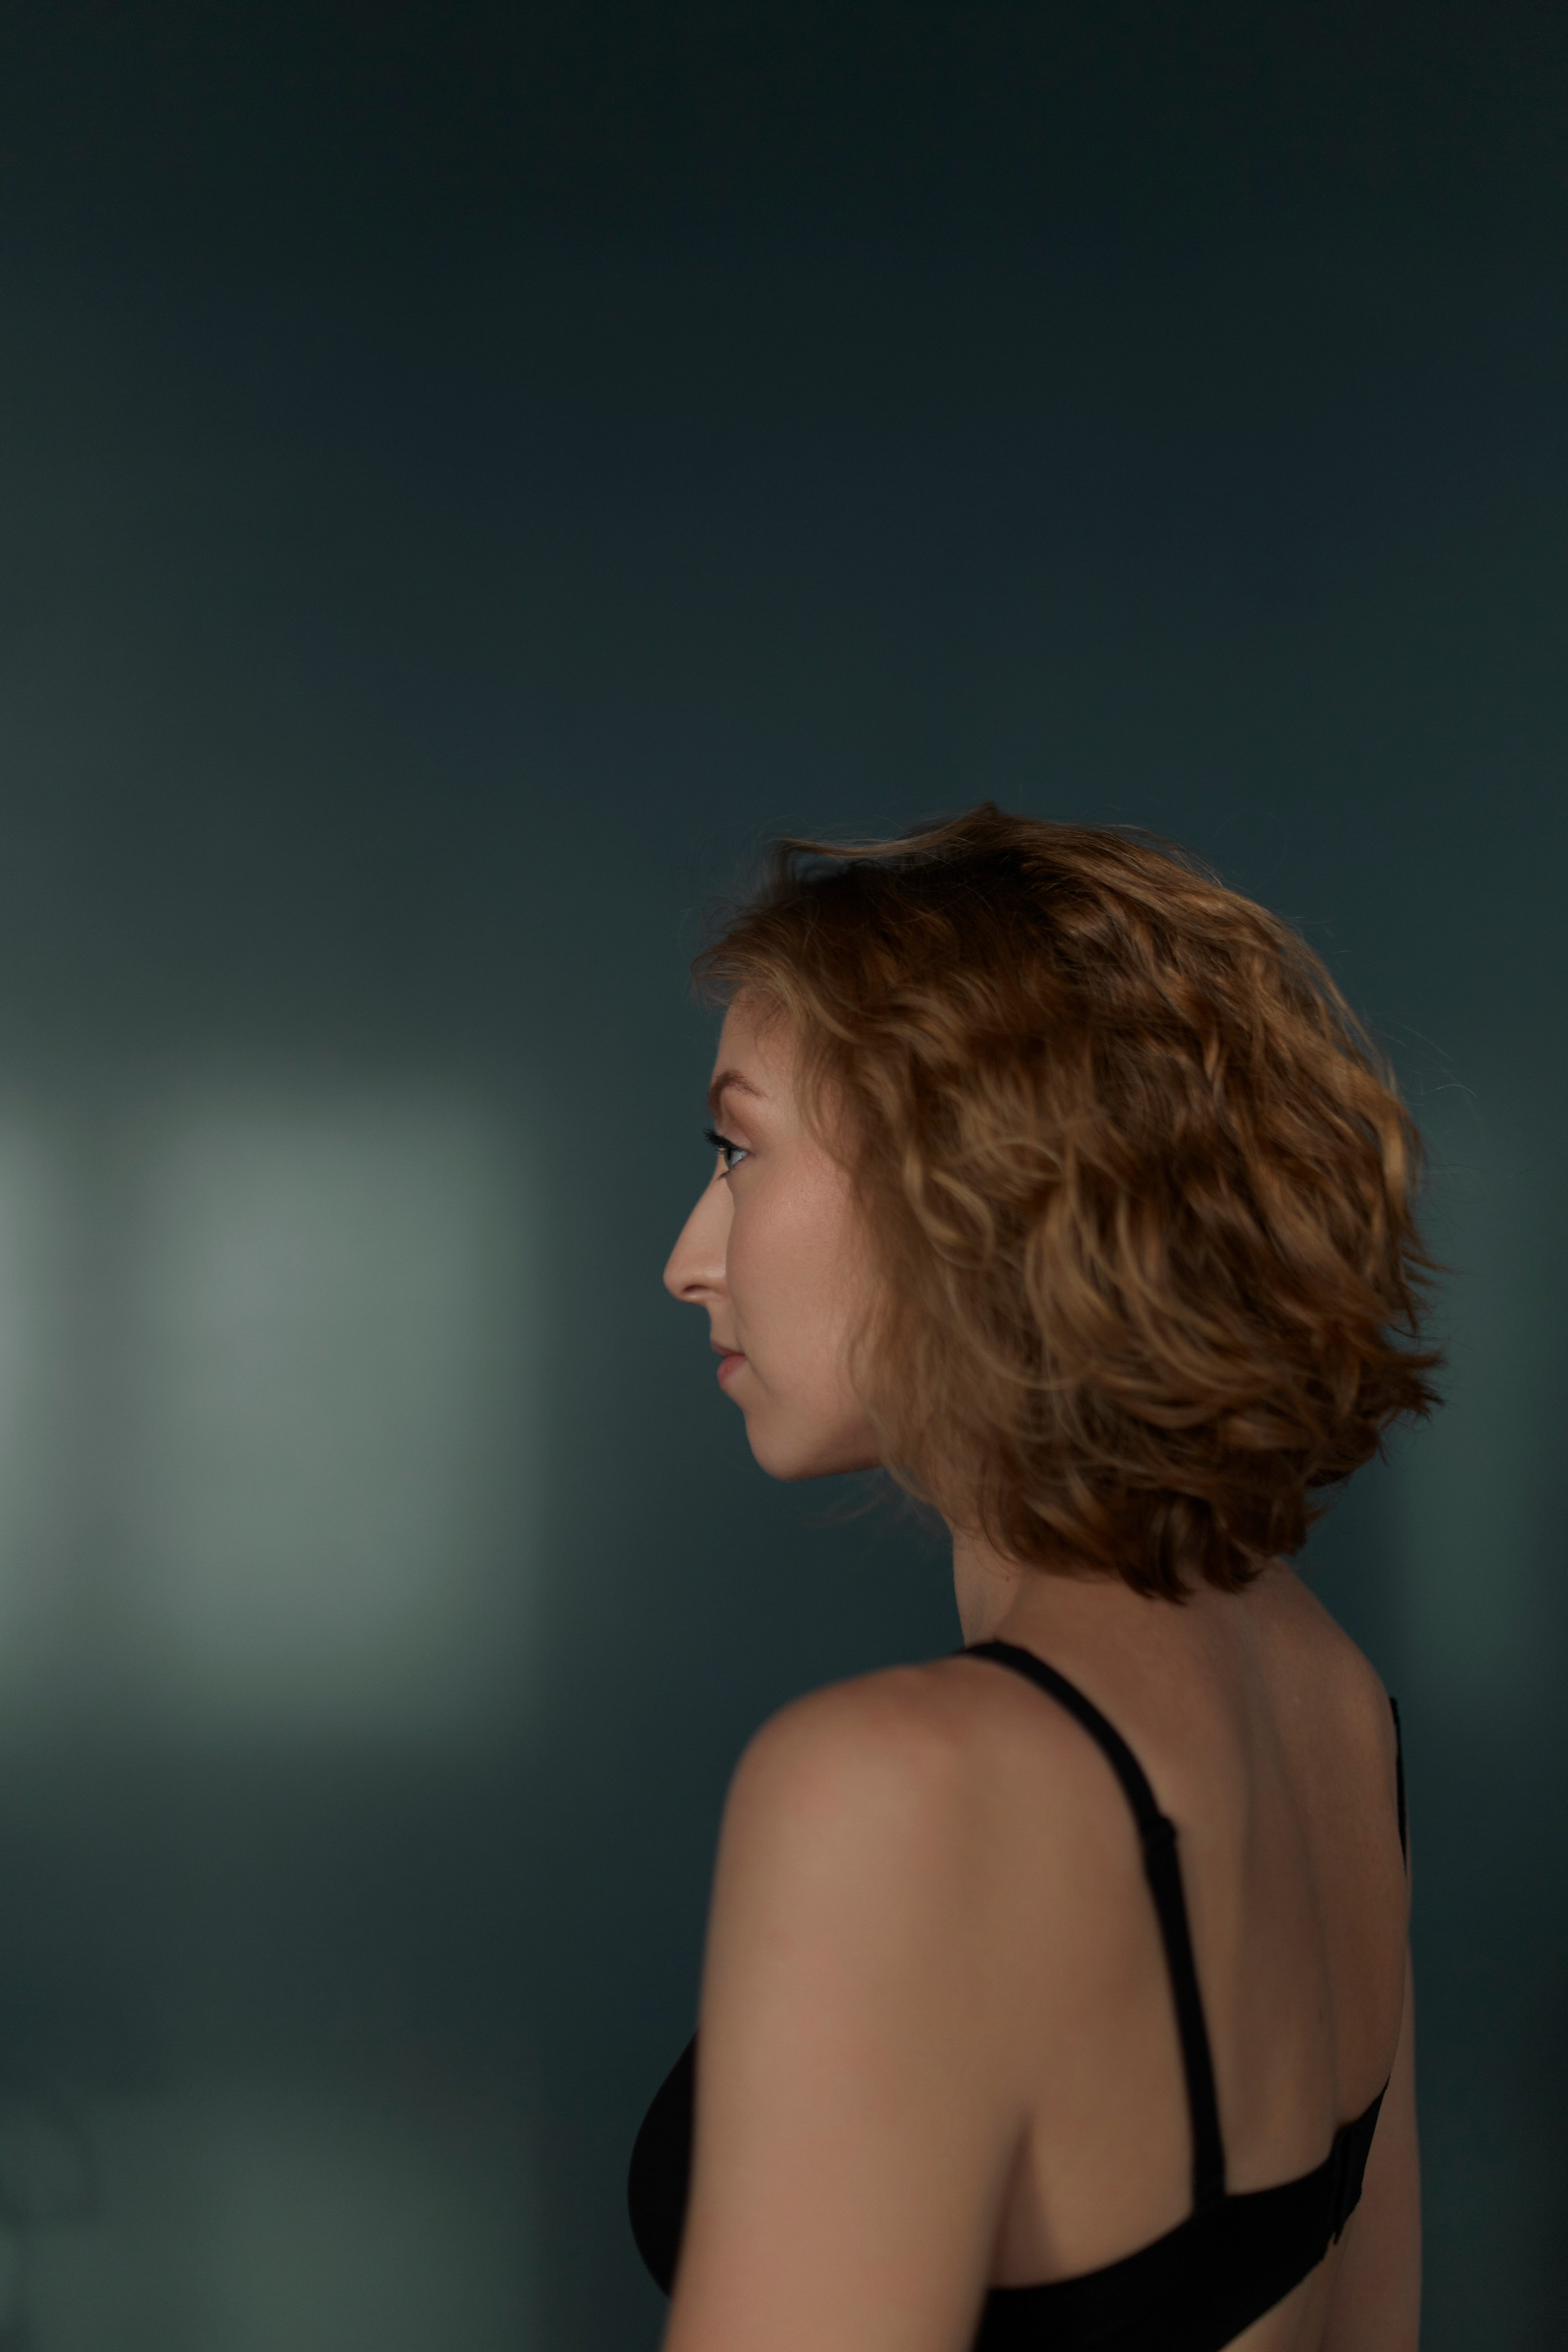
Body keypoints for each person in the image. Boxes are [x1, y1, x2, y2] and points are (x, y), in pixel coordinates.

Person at [629, 806, 1433, 2352]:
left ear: (970, 1176)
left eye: (739, 1150)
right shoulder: (1335, 1703)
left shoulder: (900, 1793)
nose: (688, 1257)